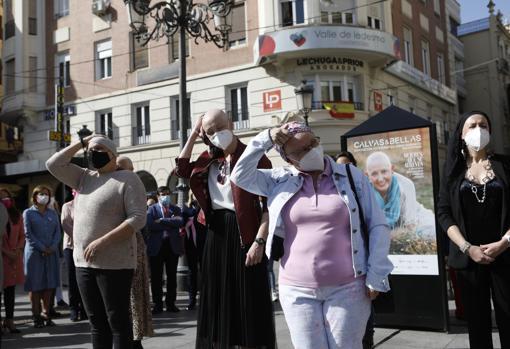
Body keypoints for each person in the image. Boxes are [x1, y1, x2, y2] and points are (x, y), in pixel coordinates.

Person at [231, 122, 393, 349]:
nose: (312, 151)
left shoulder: (351, 176)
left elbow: (377, 225)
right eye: (301, 150)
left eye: (313, 143)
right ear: (288, 159)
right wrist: (266, 137)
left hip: (348, 288)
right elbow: (239, 175)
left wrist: (377, 273)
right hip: (296, 290)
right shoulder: (278, 179)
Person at [175, 109, 275, 348]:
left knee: (247, 296)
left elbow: (268, 206)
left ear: (231, 122)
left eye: (220, 127)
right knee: (217, 293)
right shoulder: (209, 158)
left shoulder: (254, 156)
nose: (217, 134)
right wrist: (193, 135)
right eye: (210, 132)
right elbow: (181, 169)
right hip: (215, 231)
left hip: (245, 232)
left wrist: (260, 242)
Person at [46, 135, 147, 349]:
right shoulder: (84, 177)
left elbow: (138, 218)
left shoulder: (128, 179)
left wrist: (102, 241)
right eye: (90, 150)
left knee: (117, 321)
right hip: (83, 263)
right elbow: (53, 164)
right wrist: (81, 143)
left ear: (112, 154)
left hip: (115, 263)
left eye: (99, 149)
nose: (93, 153)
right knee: (96, 324)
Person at [438, 111, 510, 349]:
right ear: (461, 133)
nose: (479, 129)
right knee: (478, 326)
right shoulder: (452, 172)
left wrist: (505, 242)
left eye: (484, 125)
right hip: (469, 259)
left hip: (505, 255)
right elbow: (444, 214)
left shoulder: (505, 165)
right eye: (473, 126)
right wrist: (467, 248)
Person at [116, 156, 154, 349]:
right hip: (120, 252)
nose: (130, 172)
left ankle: (135, 339)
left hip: (137, 249)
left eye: (132, 168)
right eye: (125, 169)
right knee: (125, 300)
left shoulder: (134, 189)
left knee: (137, 297)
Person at [365, 151, 435, 239]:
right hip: (394, 229)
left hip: (416, 218)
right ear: (367, 175)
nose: (380, 179)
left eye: (384, 171)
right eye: (374, 174)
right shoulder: (363, 193)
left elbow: (411, 227)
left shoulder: (406, 185)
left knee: (428, 232)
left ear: (392, 169)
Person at [23, 185, 61, 328]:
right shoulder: (28, 213)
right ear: (35, 196)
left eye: (46, 194)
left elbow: (58, 232)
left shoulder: (53, 213)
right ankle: (36, 315)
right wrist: (42, 248)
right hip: (34, 254)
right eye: (41, 194)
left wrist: (52, 247)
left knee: (49, 284)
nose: (44, 196)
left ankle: (47, 313)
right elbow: (28, 234)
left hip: (51, 253)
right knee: (35, 286)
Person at [146, 186, 184, 314]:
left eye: (167, 193)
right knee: (156, 277)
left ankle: (171, 303)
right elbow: (150, 224)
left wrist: (162, 220)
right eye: (163, 194)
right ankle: (157, 304)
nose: (165, 196)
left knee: (171, 276)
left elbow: (179, 222)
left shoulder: (176, 209)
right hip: (157, 246)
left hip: (172, 246)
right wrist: (170, 223)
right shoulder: (151, 209)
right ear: (158, 195)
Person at [0, 188, 25, 333]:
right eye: (2, 199)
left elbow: (22, 234)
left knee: (10, 291)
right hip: (2, 258)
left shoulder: (17, 215)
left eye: (7, 198)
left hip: (14, 258)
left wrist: (17, 250)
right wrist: (6, 252)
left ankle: (9, 320)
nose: (5, 201)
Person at [61, 189, 86, 322]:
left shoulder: (87, 204)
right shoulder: (67, 206)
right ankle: (73, 308)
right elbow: (66, 224)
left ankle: (84, 308)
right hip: (71, 246)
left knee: (84, 278)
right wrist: (79, 238)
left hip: (86, 246)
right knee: (72, 278)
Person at [182, 194, 207, 311]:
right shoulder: (187, 210)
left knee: (205, 272)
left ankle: (205, 299)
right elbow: (180, 222)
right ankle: (192, 300)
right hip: (191, 246)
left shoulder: (204, 208)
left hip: (203, 245)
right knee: (192, 273)